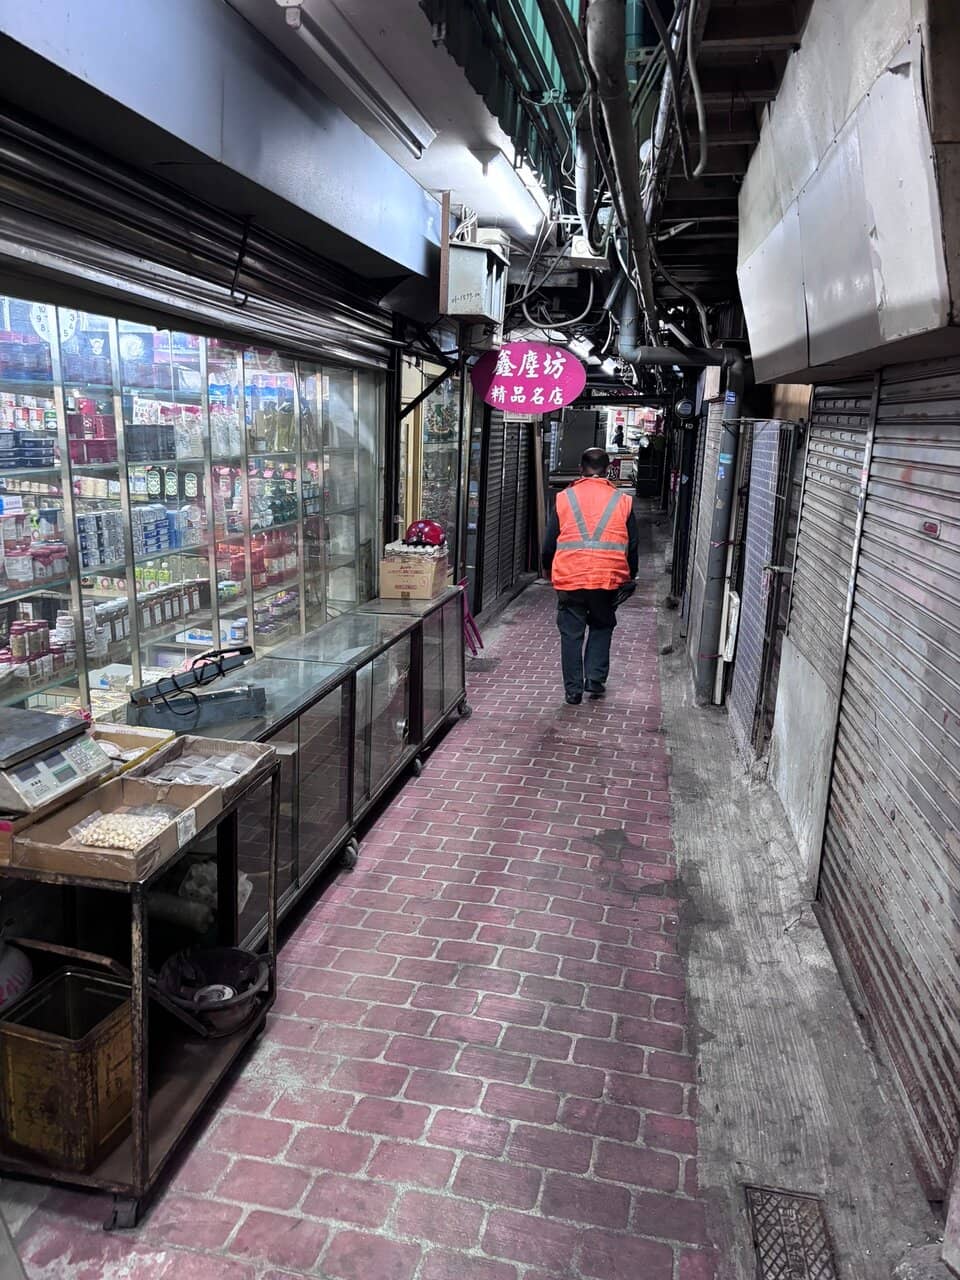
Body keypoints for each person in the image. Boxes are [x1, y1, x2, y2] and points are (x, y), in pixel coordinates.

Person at [542, 447, 638, 704]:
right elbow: (633, 544)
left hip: (570, 577)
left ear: (581, 469)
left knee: (571, 633)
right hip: (607, 577)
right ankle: (594, 679)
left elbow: (550, 543)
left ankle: (572, 691)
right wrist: (630, 577)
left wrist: (548, 569)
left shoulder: (564, 498)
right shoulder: (622, 500)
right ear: (607, 470)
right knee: (602, 625)